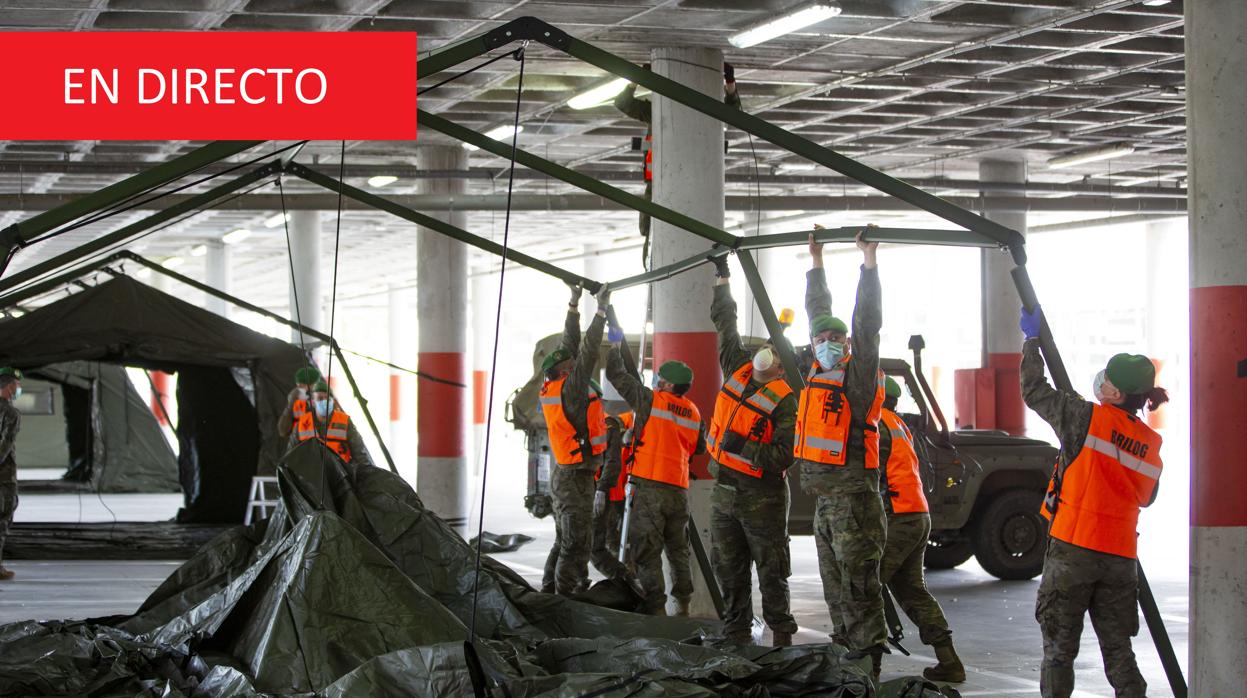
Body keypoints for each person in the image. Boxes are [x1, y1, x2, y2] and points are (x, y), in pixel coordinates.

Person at [1020, 306, 1167, 698]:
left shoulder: (1083, 416)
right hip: (1120, 559)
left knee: (1058, 652)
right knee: (1119, 650)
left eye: (1107, 379)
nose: (1099, 382)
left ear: (1116, 393)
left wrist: (1031, 342)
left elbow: (1034, 391)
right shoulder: (1151, 444)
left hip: (1072, 549)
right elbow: (1148, 497)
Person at [795, 228, 887, 677]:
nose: (829, 341)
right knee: (836, 591)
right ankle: (845, 667)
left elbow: (866, 327)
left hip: (853, 501)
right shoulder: (816, 371)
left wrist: (867, 265)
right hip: (826, 504)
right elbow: (818, 311)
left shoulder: (857, 377)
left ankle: (867, 668)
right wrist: (816, 261)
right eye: (821, 339)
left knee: (858, 589)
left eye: (836, 337)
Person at [707, 253, 799, 646]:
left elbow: (784, 456)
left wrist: (744, 446)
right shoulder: (738, 369)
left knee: (771, 569)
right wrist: (722, 278)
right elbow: (725, 324)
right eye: (767, 347)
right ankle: (736, 633)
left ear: (782, 367)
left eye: (776, 353)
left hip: (762, 496)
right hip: (723, 492)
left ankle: (781, 637)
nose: (767, 354)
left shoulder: (786, 400)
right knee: (728, 568)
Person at [605, 307, 706, 616]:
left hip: (649, 487)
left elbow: (615, 375)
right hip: (679, 491)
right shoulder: (694, 412)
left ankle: (656, 610)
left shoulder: (651, 400)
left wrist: (614, 342)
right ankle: (684, 606)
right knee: (678, 551)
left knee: (647, 552)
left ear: (665, 384)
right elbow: (698, 448)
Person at [878, 376, 965, 682]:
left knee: (864, 589)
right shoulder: (898, 424)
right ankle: (949, 660)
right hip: (916, 515)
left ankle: (864, 667)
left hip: (897, 517)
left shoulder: (875, 425)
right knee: (913, 591)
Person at [614, 62, 741, 265]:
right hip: (666, 184)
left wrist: (637, 80)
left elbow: (623, 102)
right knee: (651, 225)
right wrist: (730, 83)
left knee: (654, 224)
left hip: (679, 185)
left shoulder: (672, 112)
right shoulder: (661, 111)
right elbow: (623, 102)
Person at [538, 283, 611, 596]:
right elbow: (589, 350)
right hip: (574, 478)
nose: (573, 363)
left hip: (569, 473)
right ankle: (568, 599)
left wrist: (573, 303)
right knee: (576, 544)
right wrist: (602, 312)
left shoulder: (556, 386)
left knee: (564, 539)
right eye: (568, 364)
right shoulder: (571, 389)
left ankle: (547, 591)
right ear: (561, 371)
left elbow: (570, 345)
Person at [590, 404, 634, 580]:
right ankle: (625, 577)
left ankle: (627, 578)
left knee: (619, 540)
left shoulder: (609, 424)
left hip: (629, 490)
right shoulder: (620, 422)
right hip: (615, 490)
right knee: (610, 539)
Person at [289, 380, 374, 468]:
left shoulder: (345, 421)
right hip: (311, 475)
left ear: (332, 401)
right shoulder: (302, 424)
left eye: (327, 398)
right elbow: (291, 455)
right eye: (320, 398)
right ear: (313, 402)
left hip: (341, 474)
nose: (324, 401)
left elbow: (360, 454)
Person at [0, 368, 22, 581]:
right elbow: (4, 447)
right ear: (8, 387)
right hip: (3, 477)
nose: (18, 389)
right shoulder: (11, 413)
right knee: (3, 519)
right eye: (16, 385)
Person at [277, 365, 322, 439]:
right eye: (315, 383)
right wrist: (291, 405)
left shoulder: (317, 399)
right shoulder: (296, 401)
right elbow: (283, 430)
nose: (317, 386)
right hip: (301, 444)